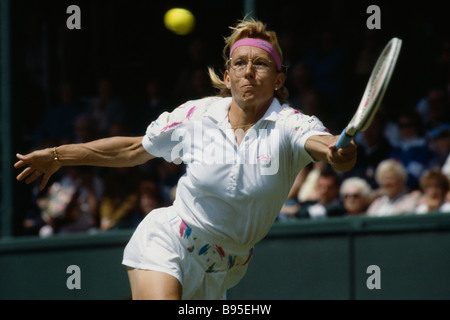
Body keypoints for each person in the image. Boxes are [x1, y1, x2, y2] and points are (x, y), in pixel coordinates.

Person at [14, 19, 357, 300]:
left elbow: (329, 150)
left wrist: (339, 152)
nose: (249, 71)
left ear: (279, 79)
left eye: (261, 64)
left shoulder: (291, 125)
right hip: (169, 239)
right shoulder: (197, 115)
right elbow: (134, 149)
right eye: (240, 63)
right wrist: (60, 156)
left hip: (222, 271)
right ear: (227, 76)